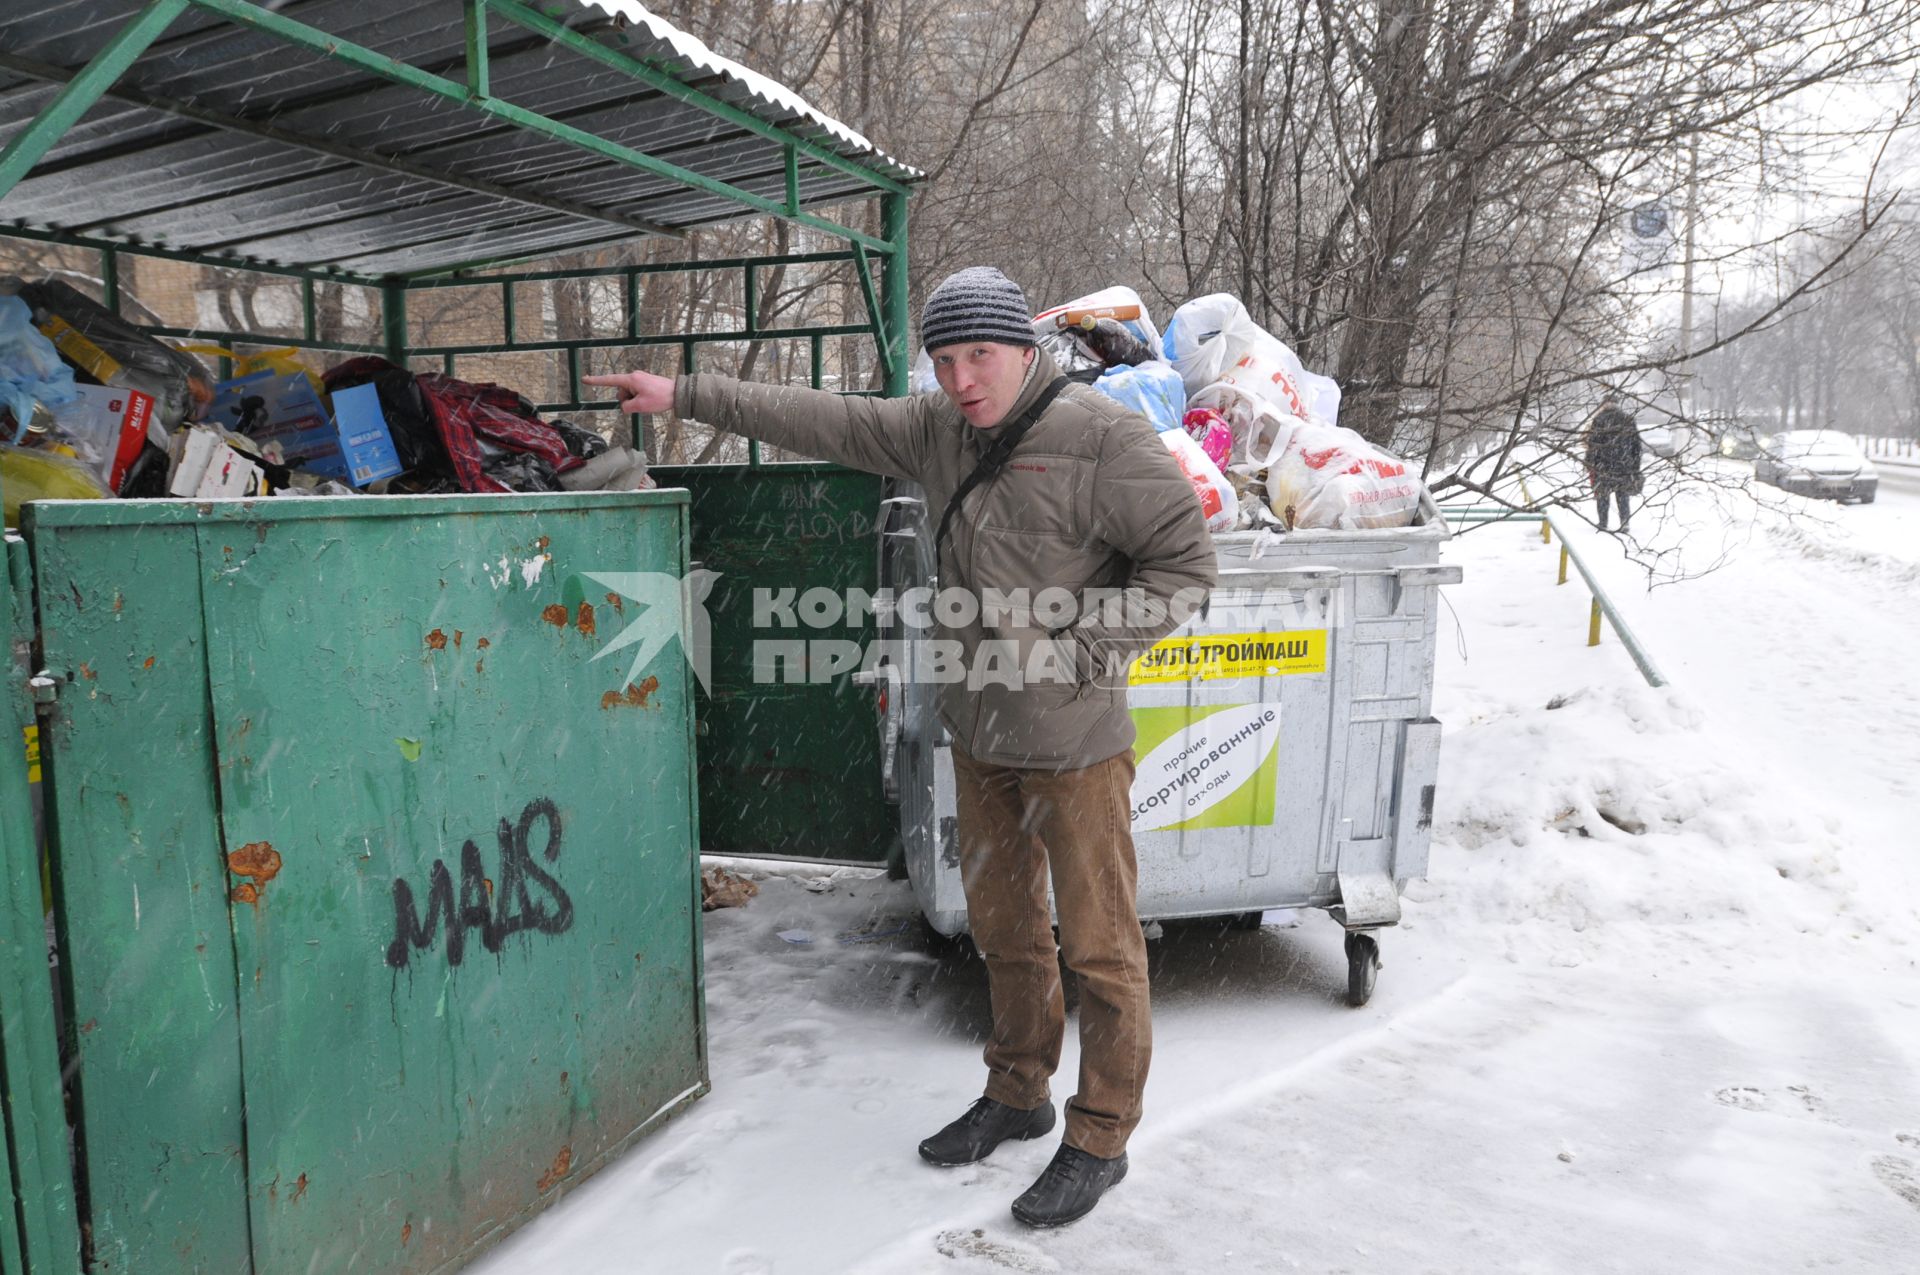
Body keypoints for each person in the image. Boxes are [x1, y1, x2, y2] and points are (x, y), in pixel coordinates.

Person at [587, 266, 1216, 1227]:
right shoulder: (932, 430)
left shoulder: (1103, 437)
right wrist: (686, 394)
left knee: (1099, 946)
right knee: (1005, 929)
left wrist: (1082, 646)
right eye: (946, 359)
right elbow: (820, 419)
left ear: (1024, 349)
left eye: (981, 356)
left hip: (1076, 743)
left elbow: (1184, 566)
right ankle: (1018, 1091)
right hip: (980, 733)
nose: (964, 379)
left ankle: (1100, 1134)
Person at [1585, 396, 1643, 532]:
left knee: (1602, 495)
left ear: (1604, 405)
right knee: (1623, 496)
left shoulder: (1599, 420)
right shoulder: (1628, 420)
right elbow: (1637, 446)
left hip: (1603, 466)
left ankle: (1603, 523)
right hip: (1624, 465)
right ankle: (1624, 522)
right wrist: (1635, 466)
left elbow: (1593, 444)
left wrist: (1590, 463)